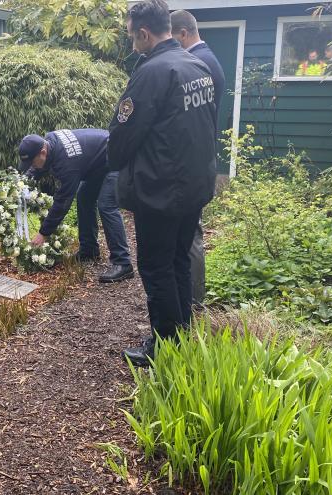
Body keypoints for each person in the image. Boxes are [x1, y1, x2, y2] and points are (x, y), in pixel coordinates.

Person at [109, 0, 217, 367]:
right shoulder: (197, 65)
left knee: (156, 267)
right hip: (194, 184)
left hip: (161, 189)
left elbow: (123, 134)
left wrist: (117, 162)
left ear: (144, 33)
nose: (132, 44)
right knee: (179, 262)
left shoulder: (153, 71)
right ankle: (182, 331)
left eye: (131, 37)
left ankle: (164, 345)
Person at [18, 129, 134, 283]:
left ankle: (123, 263)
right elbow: (40, 166)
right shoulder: (49, 141)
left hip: (119, 159)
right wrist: (24, 182)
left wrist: (43, 233)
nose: (32, 165)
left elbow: (63, 202)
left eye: (32, 162)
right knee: (84, 197)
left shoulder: (67, 164)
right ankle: (89, 250)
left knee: (106, 205)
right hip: (99, 164)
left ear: (43, 152)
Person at [170, 9, 227, 304]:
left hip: (191, 163)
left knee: (190, 236)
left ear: (182, 34)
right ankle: (192, 297)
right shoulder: (210, 59)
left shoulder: (197, 63)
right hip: (201, 160)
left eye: (171, 38)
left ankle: (193, 299)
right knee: (191, 234)